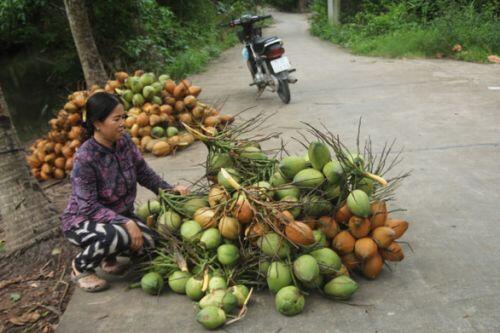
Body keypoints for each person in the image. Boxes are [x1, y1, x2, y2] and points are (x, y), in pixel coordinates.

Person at [61, 92, 188, 292]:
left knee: (153, 244)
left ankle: (107, 259)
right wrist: (126, 222)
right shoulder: (85, 158)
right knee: (119, 234)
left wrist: (170, 191)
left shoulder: (124, 142)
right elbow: (88, 207)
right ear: (97, 123)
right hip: (82, 221)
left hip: (118, 217)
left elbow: (144, 173)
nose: (123, 123)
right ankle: (80, 267)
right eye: (116, 119)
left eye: (124, 117)